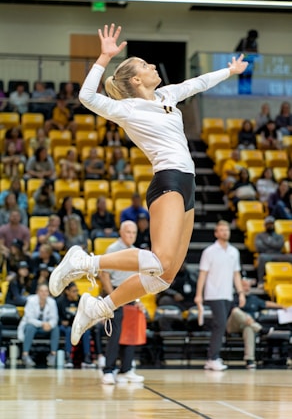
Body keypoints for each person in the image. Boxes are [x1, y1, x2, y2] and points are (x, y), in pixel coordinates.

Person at [48, 23, 248, 350]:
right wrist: (103, 57)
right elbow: (86, 96)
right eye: (145, 65)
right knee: (157, 260)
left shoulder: (167, 95)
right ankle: (83, 262)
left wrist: (229, 71)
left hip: (188, 184)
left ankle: (97, 307)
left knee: (162, 277)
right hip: (167, 180)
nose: (153, 66)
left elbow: (197, 83)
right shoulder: (126, 109)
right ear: (136, 80)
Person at [194, 220, 245, 371]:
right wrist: (199, 295)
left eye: (227, 230)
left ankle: (213, 356)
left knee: (220, 326)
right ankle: (212, 358)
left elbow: (236, 275)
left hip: (227, 294)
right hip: (213, 294)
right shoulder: (209, 252)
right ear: (216, 233)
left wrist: (241, 293)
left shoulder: (234, 252)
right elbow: (202, 275)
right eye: (221, 230)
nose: (225, 232)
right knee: (220, 324)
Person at [99, 220, 145, 384]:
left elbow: (137, 279)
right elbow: (104, 275)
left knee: (130, 334)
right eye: (128, 232)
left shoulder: (135, 252)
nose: (131, 236)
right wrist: (113, 299)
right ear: (121, 232)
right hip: (116, 293)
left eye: (134, 233)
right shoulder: (113, 249)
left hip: (131, 295)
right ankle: (108, 370)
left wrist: (138, 299)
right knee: (115, 335)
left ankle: (126, 369)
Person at [226, 278, 284, 369]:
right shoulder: (232, 297)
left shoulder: (253, 298)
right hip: (232, 325)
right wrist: (247, 317)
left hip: (248, 325)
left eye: (248, 286)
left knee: (249, 329)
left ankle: (249, 360)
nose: (247, 288)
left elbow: (266, 303)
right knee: (236, 311)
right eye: (244, 286)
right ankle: (261, 330)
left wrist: (283, 306)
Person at [17, 283, 59, 368]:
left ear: (48, 293)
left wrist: (50, 324)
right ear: (37, 292)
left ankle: (53, 355)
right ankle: (25, 355)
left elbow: (54, 318)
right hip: (32, 326)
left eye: (46, 291)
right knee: (30, 327)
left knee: (55, 328)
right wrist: (42, 323)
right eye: (41, 291)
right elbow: (29, 318)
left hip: (45, 328)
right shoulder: (31, 300)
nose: (44, 293)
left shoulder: (52, 302)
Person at [56, 282, 96, 368]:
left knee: (86, 332)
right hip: (65, 327)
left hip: (78, 326)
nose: (76, 293)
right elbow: (56, 316)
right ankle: (68, 357)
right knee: (69, 331)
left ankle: (87, 357)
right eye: (74, 291)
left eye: (76, 291)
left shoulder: (80, 300)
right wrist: (61, 321)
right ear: (67, 292)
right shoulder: (60, 302)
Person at [255, 215, 292, 287]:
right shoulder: (259, 235)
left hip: (278, 254)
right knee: (262, 257)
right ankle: (261, 281)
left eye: (271, 224)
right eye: (268, 224)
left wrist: (267, 242)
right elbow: (259, 248)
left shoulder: (279, 236)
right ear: (265, 225)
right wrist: (273, 244)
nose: (270, 226)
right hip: (266, 255)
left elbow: (280, 246)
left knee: (291, 257)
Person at [234, 29, 258, 95]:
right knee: (241, 78)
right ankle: (241, 92)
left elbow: (256, 53)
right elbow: (236, 50)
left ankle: (248, 92)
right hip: (242, 62)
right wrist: (246, 51)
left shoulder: (255, 42)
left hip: (250, 63)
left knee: (248, 78)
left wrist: (253, 51)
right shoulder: (243, 41)